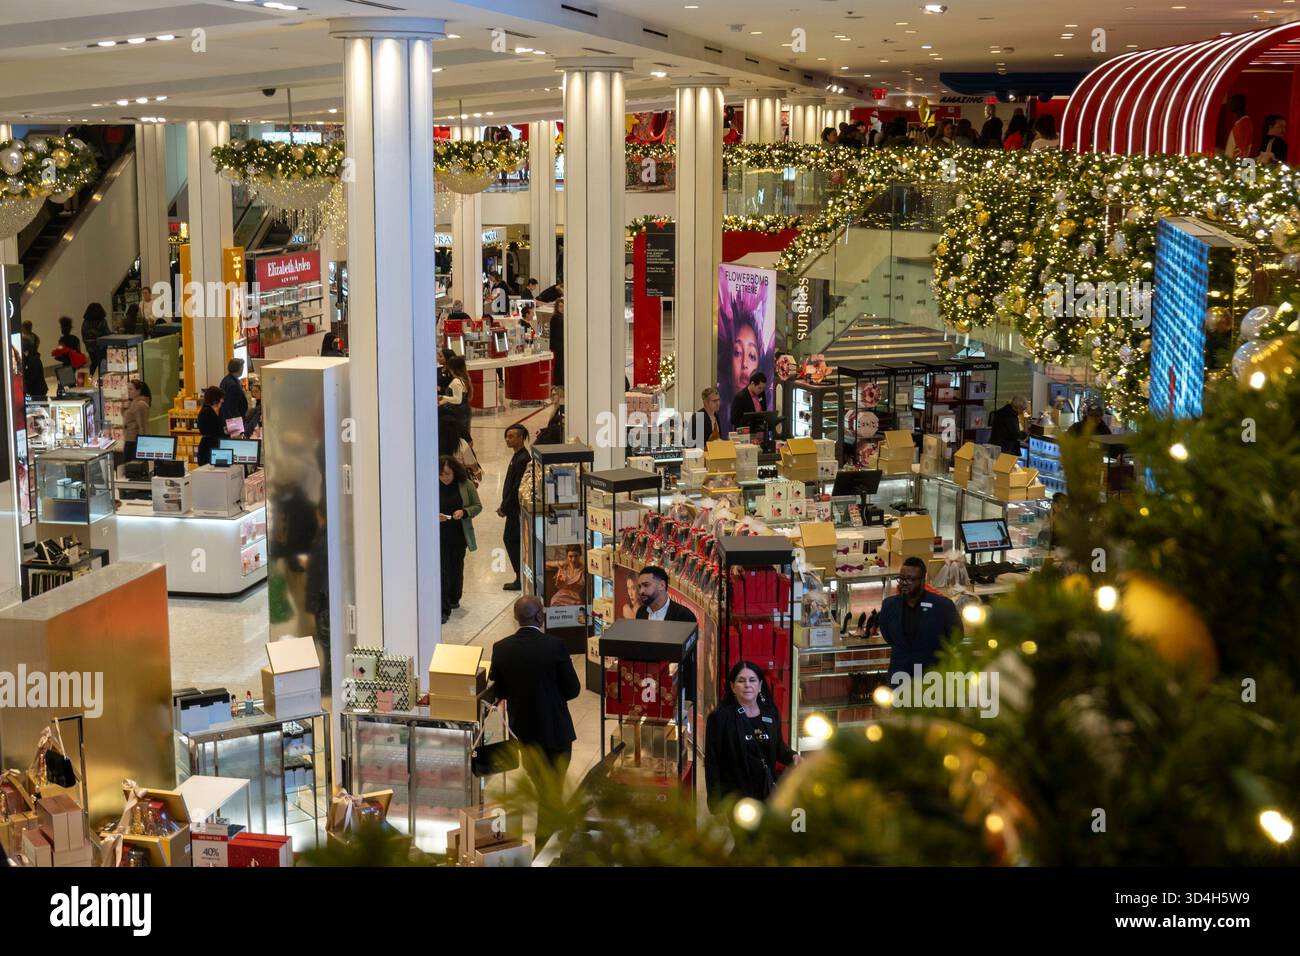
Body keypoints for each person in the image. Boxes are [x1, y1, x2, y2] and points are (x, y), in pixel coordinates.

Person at [487, 595, 581, 852]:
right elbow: (573, 690)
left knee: (543, 789)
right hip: (556, 732)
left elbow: (499, 691)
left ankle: (555, 838)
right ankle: (547, 845)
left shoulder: (501, 648)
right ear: (540, 616)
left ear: (516, 618)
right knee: (551, 791)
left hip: (524, 734)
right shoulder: (556, 646)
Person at [704, 660, 800, 813]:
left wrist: (792, 756)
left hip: (767, 791)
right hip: (737, 797)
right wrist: (715, 802)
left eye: (752, 680)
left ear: (760, 685)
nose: (747, 685)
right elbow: (712, 762)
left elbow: (778, 746)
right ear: (732, 686)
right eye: (741, 681)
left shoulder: (769, 710)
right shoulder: (720, 718)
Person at [879, 556, 963, 681]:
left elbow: (956, 637)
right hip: (899, 676)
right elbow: (888, 636)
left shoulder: (942, 606)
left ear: (923, 580)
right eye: (901, 579)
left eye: (910, 579)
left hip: (933, 678)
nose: (904, 583)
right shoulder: (889, 605)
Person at [438, 455, 481, 624]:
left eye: (447, 474)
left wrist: (464, 512)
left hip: (458, 534)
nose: (444, 478)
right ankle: (444, 606)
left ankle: (455, 597)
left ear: (454, 471)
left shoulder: (466, 485)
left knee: (457, 566)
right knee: (444, 569)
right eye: (441, 474)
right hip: (439, 536)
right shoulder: (431, 486)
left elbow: (477, 506)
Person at [499, 423, 530, 590]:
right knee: (512, 539)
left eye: (511, 436)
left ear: (521, 437)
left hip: (516, 510)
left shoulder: (523, 459)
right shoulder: (517, 456)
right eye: (506, 436)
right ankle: (520, 575)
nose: (507, 439)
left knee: (511, 539)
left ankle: (520, 576)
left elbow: (516, 487)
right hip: (512, 509)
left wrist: (505, 507)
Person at [438, 353, 474, 444]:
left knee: (462, 436)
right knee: (464, 434)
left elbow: (457, 400)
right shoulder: (464, 379)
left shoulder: (456, 381)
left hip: (458, 412)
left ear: (452, 368)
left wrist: (443, 397)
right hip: (463, 410)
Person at [729, 371, 768, 435]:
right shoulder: (740, 397)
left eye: (763, 388)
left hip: (759, 432)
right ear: (752, 384)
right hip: (745, 434)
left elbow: (764, 410)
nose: (761, 390)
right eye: (759, 388)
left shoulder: (761, 394)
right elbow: (734, 419)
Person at [122, 379, 152, 461]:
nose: (128, 391)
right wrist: (124, 407)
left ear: (138, 391)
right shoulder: (133, 403)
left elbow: (143, 426)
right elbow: (127, 418)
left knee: (132, 467)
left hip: (135, 443)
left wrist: (142, 446)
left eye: (131, 389)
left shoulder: (140, 405)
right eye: (128, 389)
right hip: (130, 440)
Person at [196, 386, 226, 466]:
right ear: (215, 399)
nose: (222, 401)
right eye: (221, 398)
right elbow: (213, 431)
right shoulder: (206, 412)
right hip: (208, 449)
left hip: (215, 446)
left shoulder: (218, 410)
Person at [81, 302, 110, 377]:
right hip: (101, 346)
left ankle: (90, 377)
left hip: (90, 347)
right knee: (102, 363)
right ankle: (102, 380)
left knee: (94, 362)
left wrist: (87, 344)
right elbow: (107, 333)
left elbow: (83, 334)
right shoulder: (102, 321)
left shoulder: (85, 322)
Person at [219, 358, 249, 430]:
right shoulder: (233, 385)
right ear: (239, 369)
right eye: (242, 367)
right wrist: (238, 428)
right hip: (233, 422)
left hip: (226, 420)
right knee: (235, 440)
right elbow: (232, 409)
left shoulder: (226, 380)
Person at [1223, 93, 1253, 161]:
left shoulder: (1243, 124)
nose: (1229, 104)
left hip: (1233, 165)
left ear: (1239, 104)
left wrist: (1233, 164)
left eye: (1231, 102)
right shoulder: (1241, 122)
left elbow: (1241, 149)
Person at [547, 298, 564, 388]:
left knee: (560, 364)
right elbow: (559, 334)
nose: (562, 308)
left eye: (563, 306)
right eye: (560, 306)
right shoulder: (556, 318)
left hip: (559, 345)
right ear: (557, 307)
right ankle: (558, 383)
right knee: (558, 365)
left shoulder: (560, 317)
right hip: (558, 346)